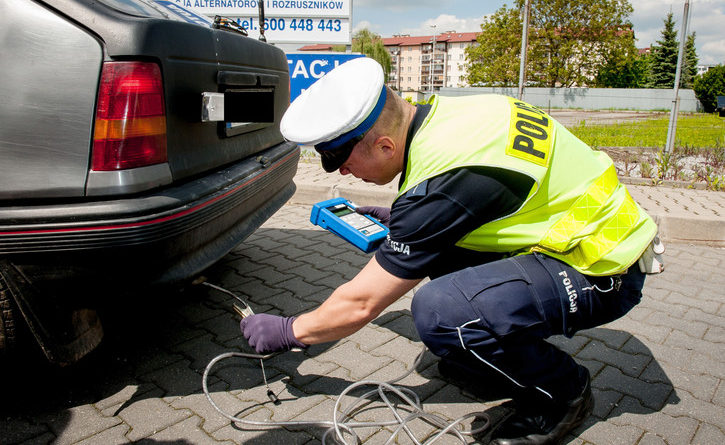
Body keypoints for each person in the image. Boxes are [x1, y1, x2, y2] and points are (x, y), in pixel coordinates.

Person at [240, 58, 662, 445]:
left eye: (342, 161)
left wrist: (291, 330)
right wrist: (405, 222)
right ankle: (489, 355)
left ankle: (564, 393)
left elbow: (362, 302)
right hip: (596, 239)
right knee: (441, 262)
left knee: (440, 311)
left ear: (385, 146)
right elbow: (484, 195)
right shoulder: (456, 114)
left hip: (604, 270)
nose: (343, 171)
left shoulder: (438, 191)